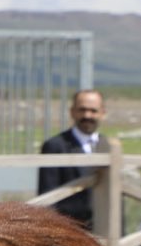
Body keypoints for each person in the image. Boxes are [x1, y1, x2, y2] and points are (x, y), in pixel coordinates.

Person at [38, 88, 109, 227]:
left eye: (93, 111)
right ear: (72, 112)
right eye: (82, 110)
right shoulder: (55, 146)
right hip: (69, 230)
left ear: (102, 113)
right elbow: (47, 196)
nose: (87, 115)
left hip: (104, 229)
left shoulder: (108, 145)